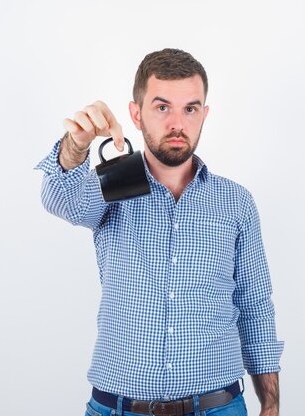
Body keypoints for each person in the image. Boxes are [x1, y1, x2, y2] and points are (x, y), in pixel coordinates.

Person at [36, 48, 283, 416]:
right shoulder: (114, 183)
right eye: (162, 107)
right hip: (117, 408)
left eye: (190, 108)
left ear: (205, 114)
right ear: (136, 114)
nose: (177, 124)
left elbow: (255, 306)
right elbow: (63, 201)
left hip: (218, 407)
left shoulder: (236, 202)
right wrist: (76, 147)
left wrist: (271, 405)